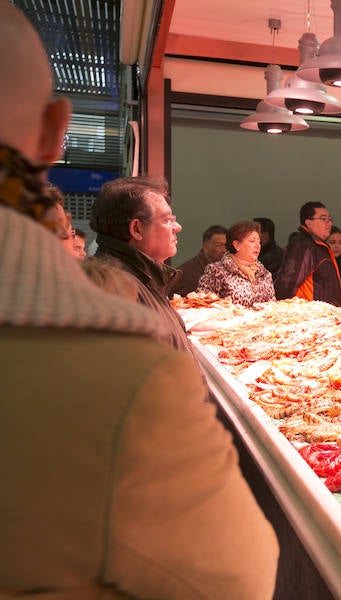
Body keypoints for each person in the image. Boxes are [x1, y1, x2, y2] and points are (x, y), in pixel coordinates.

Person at [0, 5, 279, 598]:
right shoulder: (116, 362)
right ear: (55, 132)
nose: (178, 230)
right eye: (169, 221)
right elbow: (235, 577)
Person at [90, 175, 193, 353]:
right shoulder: (114, 289)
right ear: (136, 229)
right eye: (167, 220)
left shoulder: (144, 277)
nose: (178, 227)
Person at [274, 201, 341, 305]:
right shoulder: (304, 245)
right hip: (309, 316)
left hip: (326, 316)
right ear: (308, 222)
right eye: (323, 219)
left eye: (330, 219)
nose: (329, 223)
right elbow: (288, 283)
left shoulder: (319, 246)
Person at [198, 220, 276, 307]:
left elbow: (272, 306)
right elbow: (202, 303)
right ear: (236, 245)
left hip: (261, 320)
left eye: (259, 242)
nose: (257, 246)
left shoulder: (265, 274)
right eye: (252, 241)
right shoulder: (217, 271)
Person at [172, 224, 227, 296]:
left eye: (226, 245)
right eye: (218, 245)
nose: (224, 250)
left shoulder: (228, 269)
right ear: (205, 246)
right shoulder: (185, 273)